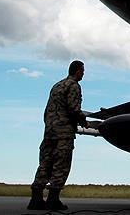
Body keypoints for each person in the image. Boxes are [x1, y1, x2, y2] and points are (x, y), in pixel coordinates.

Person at [27, 60, 88, 211]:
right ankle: (53, 200)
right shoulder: (73, 86)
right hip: (63, 133)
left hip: (49, 131)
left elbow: (48, 109)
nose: (83, 73)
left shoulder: (57, 85)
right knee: (61, 164)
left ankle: (36, 199)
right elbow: (73, 109)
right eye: (82, 70)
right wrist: (83, 121)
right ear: (77, 71)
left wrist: (50, 126)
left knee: (45, 163)